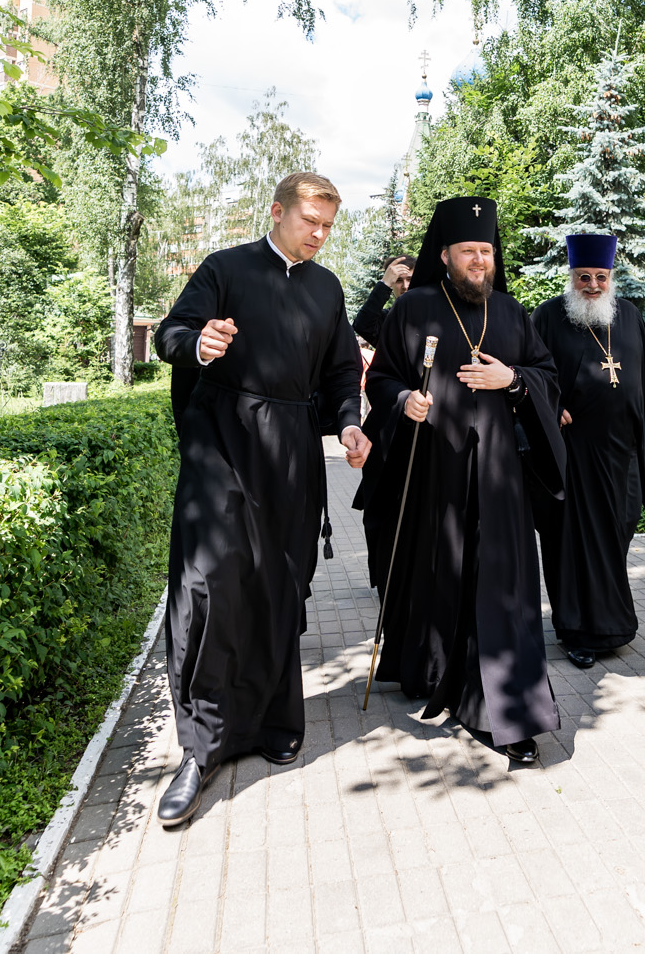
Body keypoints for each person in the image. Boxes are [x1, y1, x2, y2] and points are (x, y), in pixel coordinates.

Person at [152, 173, 372, 827]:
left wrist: (351, 423)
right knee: (209, 587)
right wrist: (198, 344)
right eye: (310, 219)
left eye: (328, 225)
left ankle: (276, 720)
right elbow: (171, 333)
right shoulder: (224, 268)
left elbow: (338, 375)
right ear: (276, 211)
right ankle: (200, 747)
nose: (319, 233)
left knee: (280, 587)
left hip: (293, 458)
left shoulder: (327, 288)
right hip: (221, 446)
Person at [355, 196, 565, 765]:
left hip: (498, 472)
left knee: (500, 587)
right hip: (431, 472)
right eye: (469, 251)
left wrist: (512, 378)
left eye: (487, 251)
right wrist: (402, 399)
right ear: (444, 254)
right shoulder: (414, 307)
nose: (479, 261)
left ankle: (505, 710)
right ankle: (431, 669)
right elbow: (381, 379)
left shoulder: (511, 312)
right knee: (438, 571)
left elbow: (547, 377)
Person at [528, 233, 645, 668]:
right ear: (571, 276)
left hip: (623, 456)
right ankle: (576, 631)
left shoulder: (628, 316)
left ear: (611, 278)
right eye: (584, 276)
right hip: (573, 456)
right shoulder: (549, 317)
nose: (592, 284)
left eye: (600, 276)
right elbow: (531, 372)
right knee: (572, 546)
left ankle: (613, 625)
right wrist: (549, 406)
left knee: (617, 536)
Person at [352, 253, 416, 347]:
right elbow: (362, 325)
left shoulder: (430, 314)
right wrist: (385, 283)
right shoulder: (387, 320)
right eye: (398, 280)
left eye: (410, 279)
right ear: (392, 284)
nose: (405, 286)